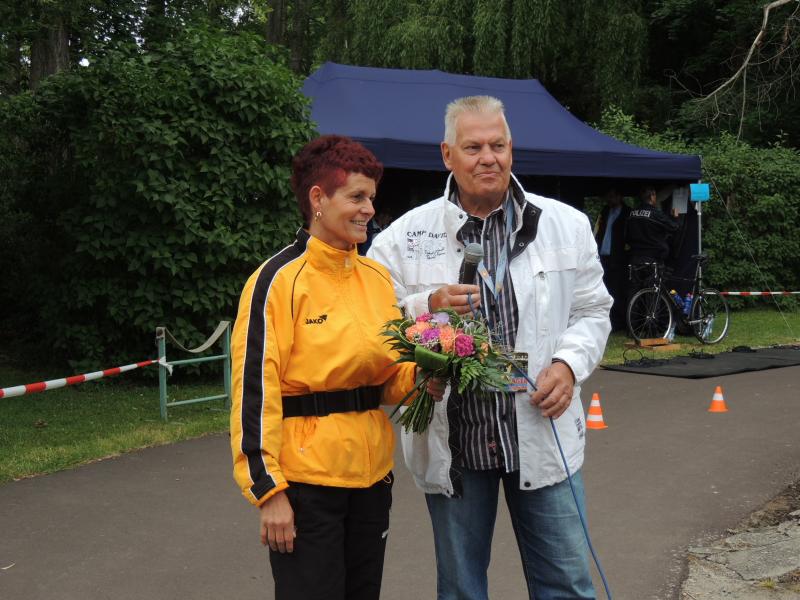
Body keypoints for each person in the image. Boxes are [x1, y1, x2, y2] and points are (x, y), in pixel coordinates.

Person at [368, 96, 612, 600]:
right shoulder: (403, 238)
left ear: (511, 149)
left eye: (498, 145)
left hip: (541, 432)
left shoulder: (565, 225)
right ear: (447, 155)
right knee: (461, 591)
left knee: (567, 585)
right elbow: (374, 321)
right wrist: (426, 304)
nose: (488, 158)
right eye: (473, 147)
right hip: (457, 442)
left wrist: (568, 365)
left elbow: (593, 310)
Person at [229, 135, 417, 600]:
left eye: (371, 197)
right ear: (318, 198)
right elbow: (255, 391)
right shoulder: (277, 281)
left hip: (372, 478)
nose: (369, 209)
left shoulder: (377, 278)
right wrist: (269, 491)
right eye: (357, 197)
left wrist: (427, 373)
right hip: (306, 487)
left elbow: (388, 380)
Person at [594, 187, 631, 331]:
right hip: (604, 256)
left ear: (619, 197)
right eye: (608, 197)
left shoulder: (627, 213)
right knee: (605, 289)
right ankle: (605, 320)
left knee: (617, 290)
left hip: (618, 256)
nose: (609, 200)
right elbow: (598, 231)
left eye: (612, 196)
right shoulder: (604, 211)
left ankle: (617, 322)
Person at [625, 186, 680, 267]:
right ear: (652, 196)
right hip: (653, 257)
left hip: (635, 256)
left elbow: (626, 235)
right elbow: (674, 227)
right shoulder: (656, 213)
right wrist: (675, 217)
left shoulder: (631, 213)